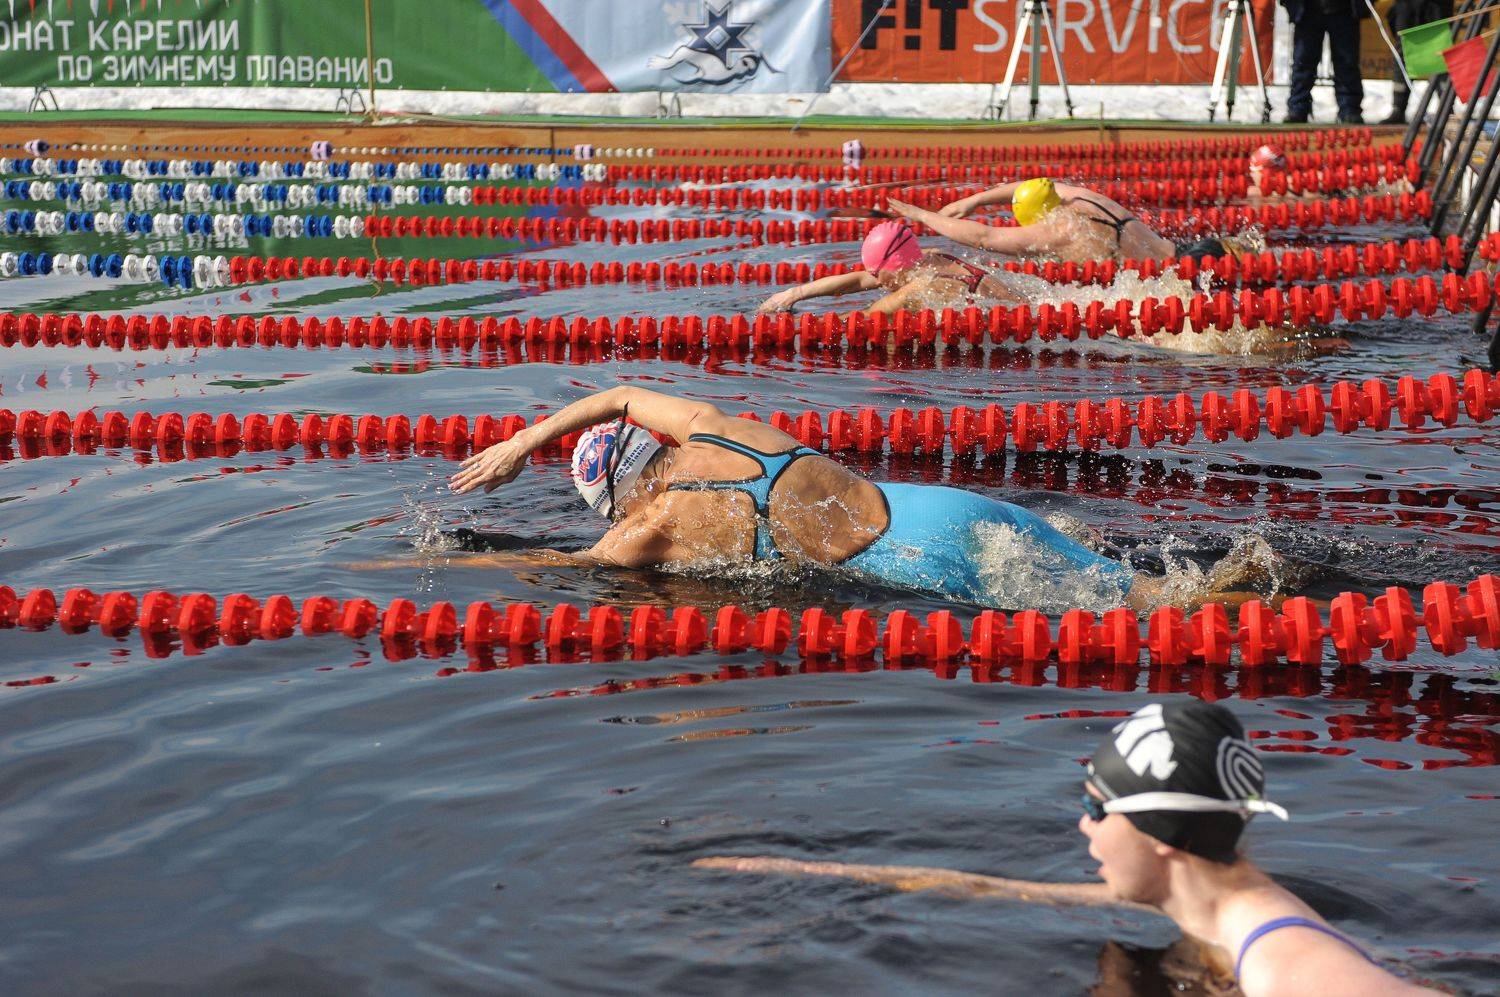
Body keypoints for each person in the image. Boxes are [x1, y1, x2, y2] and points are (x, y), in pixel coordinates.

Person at [694, 701, 1438, 996]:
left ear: (1160, 834)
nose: (1081, 826)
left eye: (1094, 807)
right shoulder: (1219, 905)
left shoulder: (1284, 965)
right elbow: (999, 889)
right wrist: (805, 871)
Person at [448, 386, 1287, 613]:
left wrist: (423, 559)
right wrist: (526, 440)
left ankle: (1280, 610)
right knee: (1159, 591)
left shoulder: (647, 533)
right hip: (948, 507)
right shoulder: (712, 427)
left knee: (1170, 617)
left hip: (926, 561)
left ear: (618, 497)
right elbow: (623, 391)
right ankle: (1270, 582)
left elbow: (562, 565)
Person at [886, 178, 1239, 264]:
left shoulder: (1060, 231)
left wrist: (921, 214)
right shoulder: (1080, 197)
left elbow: (983, 237)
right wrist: (975, 199)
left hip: (1180, 275)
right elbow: (1036, 184)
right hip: (1197, 250)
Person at [756, 220, 1020, 316]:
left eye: (877, 274)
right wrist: (795, 293)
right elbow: (858, 281)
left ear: (893, 267)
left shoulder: (919, 288)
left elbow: (864, 317)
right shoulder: (930, 259)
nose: (875, 280)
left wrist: (796, 324)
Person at [1283, 0, 1366, 124]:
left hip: (1345, 9)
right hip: (1307, 9)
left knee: (1347, 63)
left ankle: (1349, 109)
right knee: (1303, 62)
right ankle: (1298, 107)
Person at [1383, 0, 1453, 123]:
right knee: (1404, 51)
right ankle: (1398, 109)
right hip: (1406, 5)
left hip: (1436, 5)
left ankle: (1447, 109)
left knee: (1439, 50)